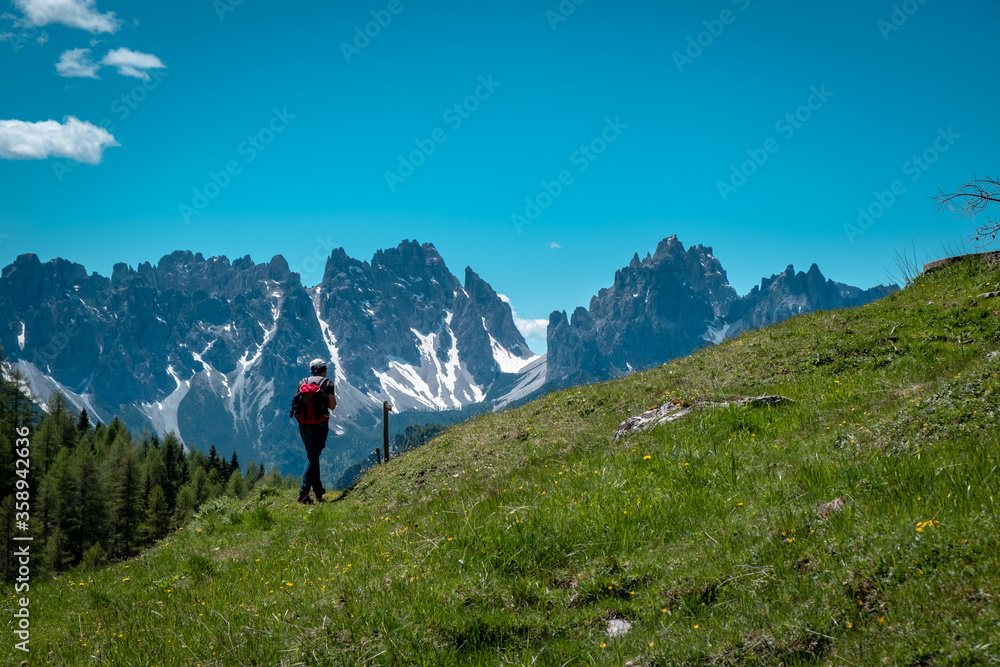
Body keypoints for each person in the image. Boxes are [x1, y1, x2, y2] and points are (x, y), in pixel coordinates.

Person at [295, 358, 337, 504]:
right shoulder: (328, 383)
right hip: (320, 424)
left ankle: (318, 490)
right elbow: (332, 406)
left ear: (311, 370)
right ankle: (303, 494)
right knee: (312, 458)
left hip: (303, 425)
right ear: (324, 369)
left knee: (312, 456)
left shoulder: (302, 382)